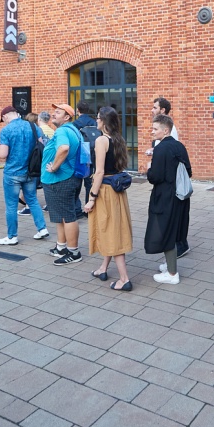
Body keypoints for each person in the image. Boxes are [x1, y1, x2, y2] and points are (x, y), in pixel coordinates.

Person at [83, 107, 134, 290]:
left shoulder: (101, 140)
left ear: (104, 121)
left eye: (98, 119)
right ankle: (103, 268)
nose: (96, 121)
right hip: (118, 192)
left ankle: (124, 279)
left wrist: (92, 198)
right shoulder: (118, 139)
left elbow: (99, 172)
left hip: (104, 191)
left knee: (112, 233)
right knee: (112, 230)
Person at [146, 114, 192, 284]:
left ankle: (172, 274)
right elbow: (188, 171)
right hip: (180, 196)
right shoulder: (180, 146)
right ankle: (169, 265)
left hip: (165, 197)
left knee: (166, 231)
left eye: (155, 128)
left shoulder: (160, 149)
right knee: (174, 230)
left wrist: (149, 169)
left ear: (166, 130)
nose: (152, 131)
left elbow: (155, 177)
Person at [0, 106, 48, 245]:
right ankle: (42, 228)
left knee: (11, 206)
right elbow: (42, 144)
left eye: (3, 119)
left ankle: (12, 236)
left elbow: (3, 154)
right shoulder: (32, 126)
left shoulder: (6, 130)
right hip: (31, 171)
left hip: (12, 173)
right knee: (32, 200)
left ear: (5, 116)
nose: (4, 122)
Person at [44, 104, 84, 266]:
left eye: (58, 112)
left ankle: (73, 252)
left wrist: (54, 167)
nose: (54, 114)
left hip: (61, 179)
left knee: (68, 216)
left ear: (67, 117)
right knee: (61, 215)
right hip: (69, 178)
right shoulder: (74, 130)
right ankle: (61, 247)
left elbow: (64, 148)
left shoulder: (62, 131)